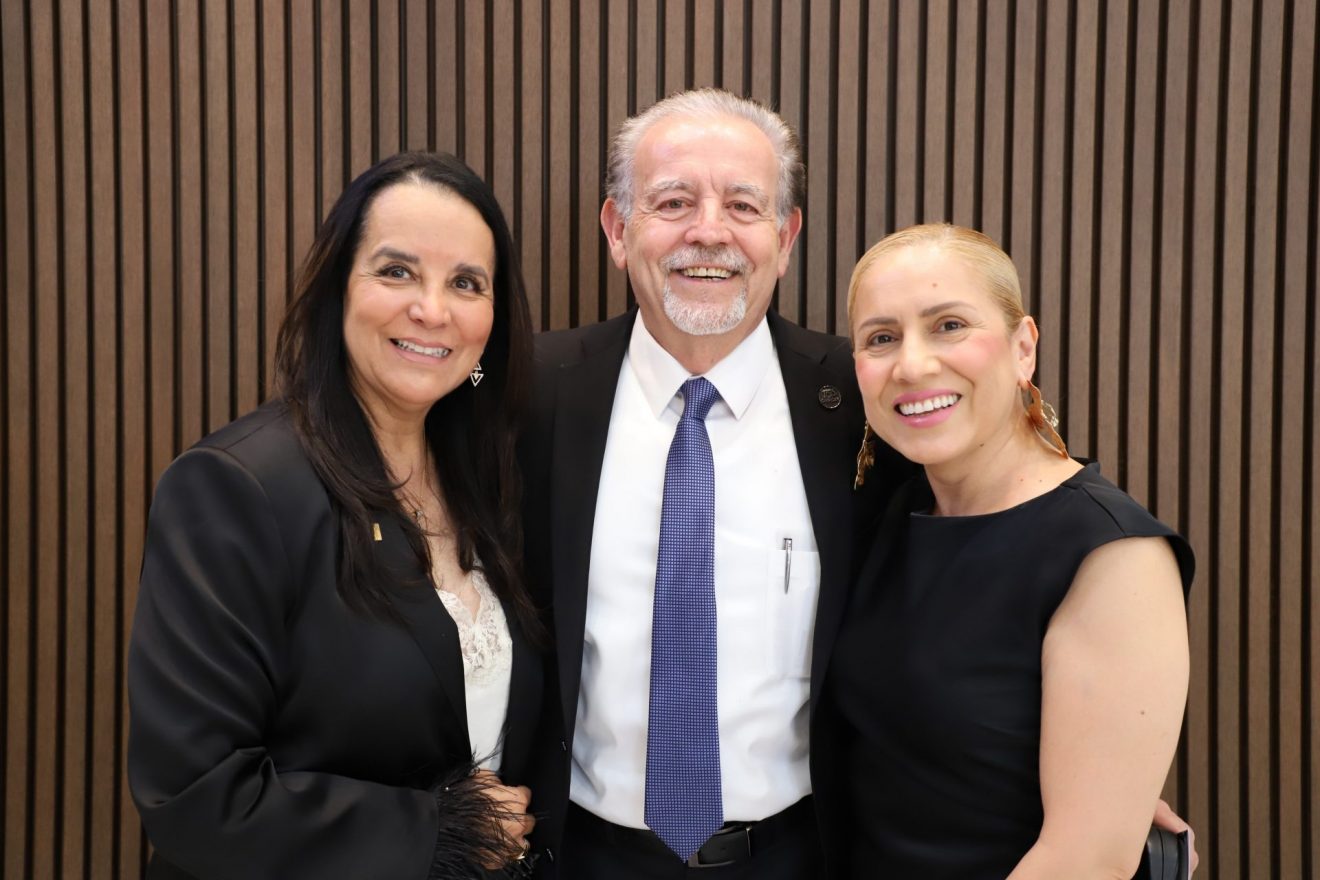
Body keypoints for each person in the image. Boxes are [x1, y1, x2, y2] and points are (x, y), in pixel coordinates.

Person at [128, 152, 543, 879]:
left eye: (466, 283)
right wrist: (441, 835)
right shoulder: (237, 488)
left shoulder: (491, 480)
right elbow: (195, 794)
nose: (433, 310)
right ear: (337, 289)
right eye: (397, 271)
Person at [815, 223, 1194, 878]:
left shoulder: (1113, 557)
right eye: (881, 338)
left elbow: (1084, 862)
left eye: (949, 326)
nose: (912, 365)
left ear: (1024, 349)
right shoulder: (893, 515)